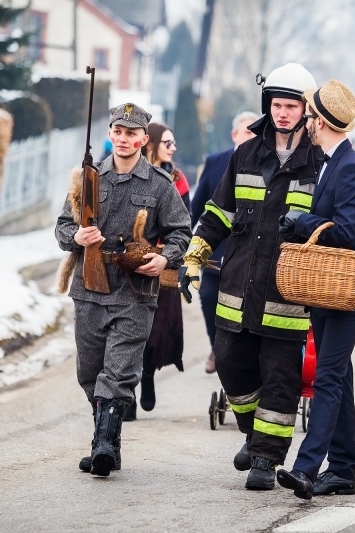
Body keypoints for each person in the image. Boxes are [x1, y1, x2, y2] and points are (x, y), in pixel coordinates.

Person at [179, 62, 322, 490]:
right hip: (238, 286)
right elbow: (218, 213)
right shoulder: (245, 154)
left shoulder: (319, 163)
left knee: (281, 378)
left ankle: (265, 458)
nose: (282, 113)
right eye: (277, 105)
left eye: (290, 106)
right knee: (230, 363)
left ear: (305, 110)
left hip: (286, 294)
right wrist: (195, 255)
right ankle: (253, 431)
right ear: (269, 106)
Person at [54, 103, 191, 477]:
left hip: (135, 291)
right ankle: (109, 443)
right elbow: (63, 227)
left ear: (144, 139)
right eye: (118, 131)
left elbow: (182, 231)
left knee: (118, 372)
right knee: (90, 373)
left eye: (132, 133)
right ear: (110, 134)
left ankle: (101, 446)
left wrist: (166, 260)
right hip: (90, 289)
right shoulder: (88, 179)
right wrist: (77, 236)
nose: (124, 139)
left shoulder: (160, 186)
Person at [274, 79, 355, 500]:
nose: (308, 123)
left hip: (347, 290)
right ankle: (343, 470)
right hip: (329, 288)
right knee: (342, 378)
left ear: (323, 122)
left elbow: (349, 230)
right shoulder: (331, 162)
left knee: (329, 377)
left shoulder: (351, 167)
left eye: (311, 116)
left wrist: (299, 223)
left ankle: (306, 467)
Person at [190, 111, 258, 373]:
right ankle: (217, 348)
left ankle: (235, 355)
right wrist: (184, 240)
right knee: (208, 298)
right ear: (234, 135)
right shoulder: (216, 162)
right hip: (215, 252)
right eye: (246, 131)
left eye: (255, 131)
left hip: (246, 255)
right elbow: (198, 208)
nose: (251, 136)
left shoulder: (267, 164)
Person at [136, 122, 191, 413]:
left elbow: (185, 223)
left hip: (164, 263)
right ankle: (125, 392)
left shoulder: (178, 179)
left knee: (157, 328)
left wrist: (170, 254)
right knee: (130, 326)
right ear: (152, 144)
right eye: (167, 143)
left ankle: (147, 375)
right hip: (132, 260)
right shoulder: (134, 175)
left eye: (173, 143)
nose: (173, 148)